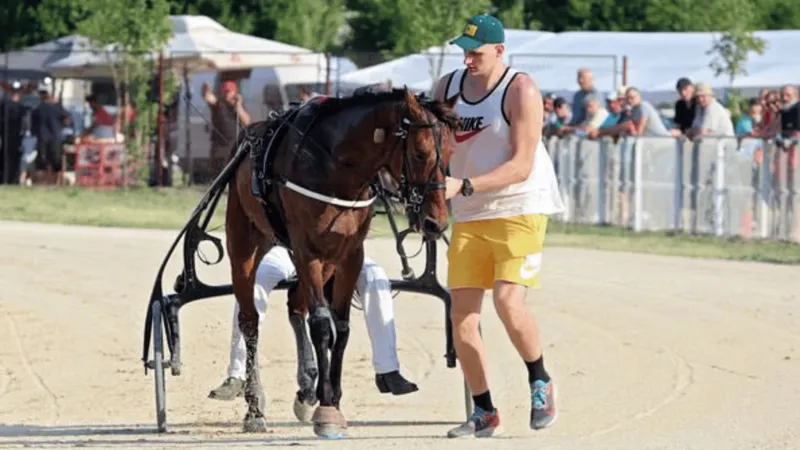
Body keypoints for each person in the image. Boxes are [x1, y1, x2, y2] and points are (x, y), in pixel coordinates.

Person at [432, 13, 565, 438]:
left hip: (519, 207)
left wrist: (464, 184)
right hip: (470, 212)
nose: (468, 60)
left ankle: (540, 381)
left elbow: (521, 166)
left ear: (500, 50)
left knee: (508, 302)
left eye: (476, 53)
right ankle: (484, 410)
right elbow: (433, 145)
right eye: (464, 52)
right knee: (462, 318)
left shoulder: (520, 89)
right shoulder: (447, 88)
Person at [208, 246, 418, 400]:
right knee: (254, 281)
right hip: (285, 250)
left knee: (375, 276)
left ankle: (388, 369)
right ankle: (238, 373)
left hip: (340, 251)